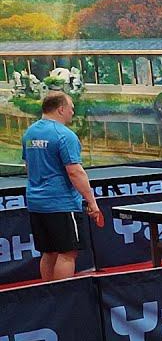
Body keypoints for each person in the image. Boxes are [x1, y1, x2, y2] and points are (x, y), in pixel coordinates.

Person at [21, 92, 104, 281]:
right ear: (61, 109)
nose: (72, 112)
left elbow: (28, 167)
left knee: (49, 252)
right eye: (71, 108)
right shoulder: (64, 135)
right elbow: (75, 172)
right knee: (68, 253)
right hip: (61, 203)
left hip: (36, 203)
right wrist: (92, 202)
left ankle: (49, 294)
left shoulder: (29, 133)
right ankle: (63, 294)